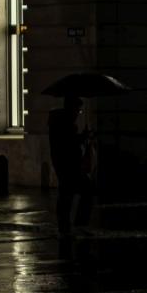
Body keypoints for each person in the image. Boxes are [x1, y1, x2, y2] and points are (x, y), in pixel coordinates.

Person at [48, 95, 93, 237]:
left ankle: (66, 226)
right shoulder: (66, 124)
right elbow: (69, 144)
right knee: (84, 190)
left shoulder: (59, 122)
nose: (78, 114)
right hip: (69, 164)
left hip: (63, 163)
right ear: (72, 109)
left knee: (66, 194)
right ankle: (76, 224)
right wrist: (83, 137)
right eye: (78, 110)